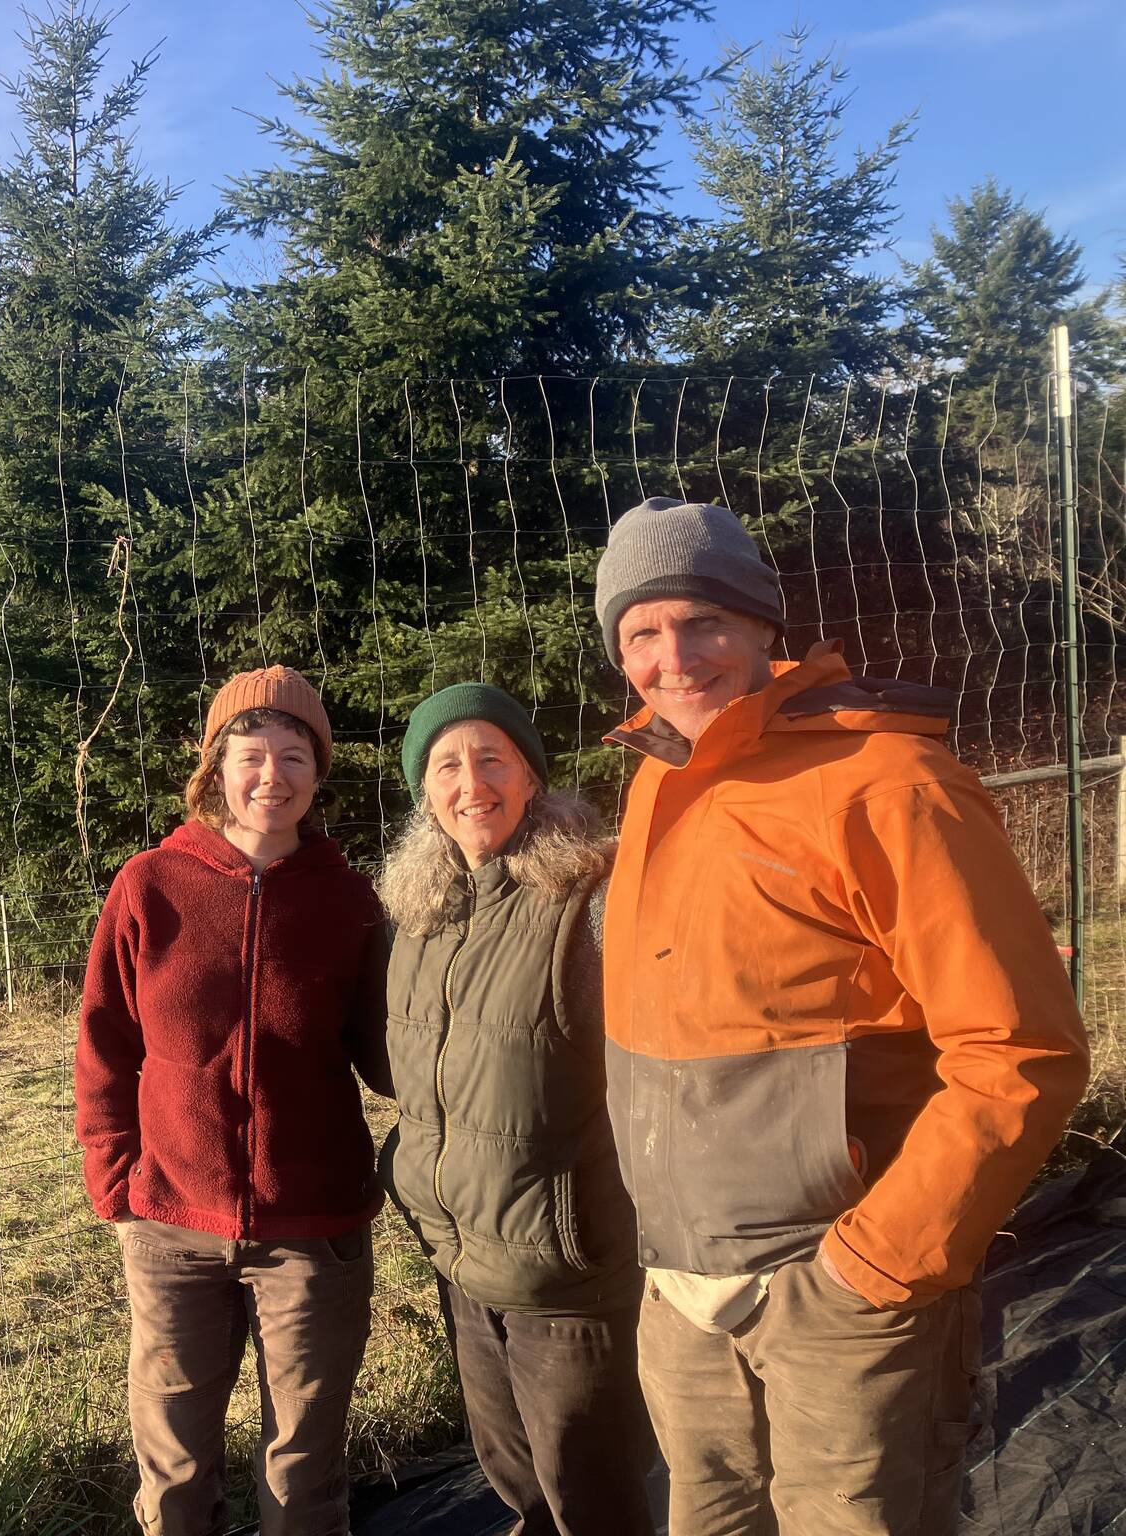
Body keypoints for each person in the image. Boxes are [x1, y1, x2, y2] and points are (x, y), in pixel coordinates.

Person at [593, 496, 1090, 1536]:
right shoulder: (653, 787)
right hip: (680, 1291)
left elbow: (1021, 1052)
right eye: (641, 632)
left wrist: (875, 1264)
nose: (672, 659)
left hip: (837, 1298)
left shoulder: (889, 785)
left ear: (761, 625)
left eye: (703, 621)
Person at [76, 665, 390, 1536]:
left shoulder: (348, 899)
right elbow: (105, 1040)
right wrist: (115, 1183)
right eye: (251, 754)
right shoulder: (149, 884)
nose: (272, 776)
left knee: (304, 1470)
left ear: (318, 775)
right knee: (174, 1470)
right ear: (216, 767)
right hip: (171, 1225)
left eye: (295, 756)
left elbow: (388, 1054)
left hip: (313, 1230)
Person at [376, 682, 654, 1536]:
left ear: (531, 776)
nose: (473, 784)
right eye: (447, 766)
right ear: (424, 792)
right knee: (518, 1488)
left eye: (492, 759)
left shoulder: (588, 903)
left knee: (594, 1503)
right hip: (462, 1269)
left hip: (567, 1279)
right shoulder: (417, 918)